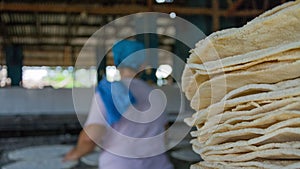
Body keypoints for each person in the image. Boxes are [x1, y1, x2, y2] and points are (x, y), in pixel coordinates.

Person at [64, 40, 174, 169]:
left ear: (117, 64)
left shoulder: (108, 92)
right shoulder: (157, 95)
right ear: (143, 65)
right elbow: (165, 132)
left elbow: (90, 137)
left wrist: (75, 154)